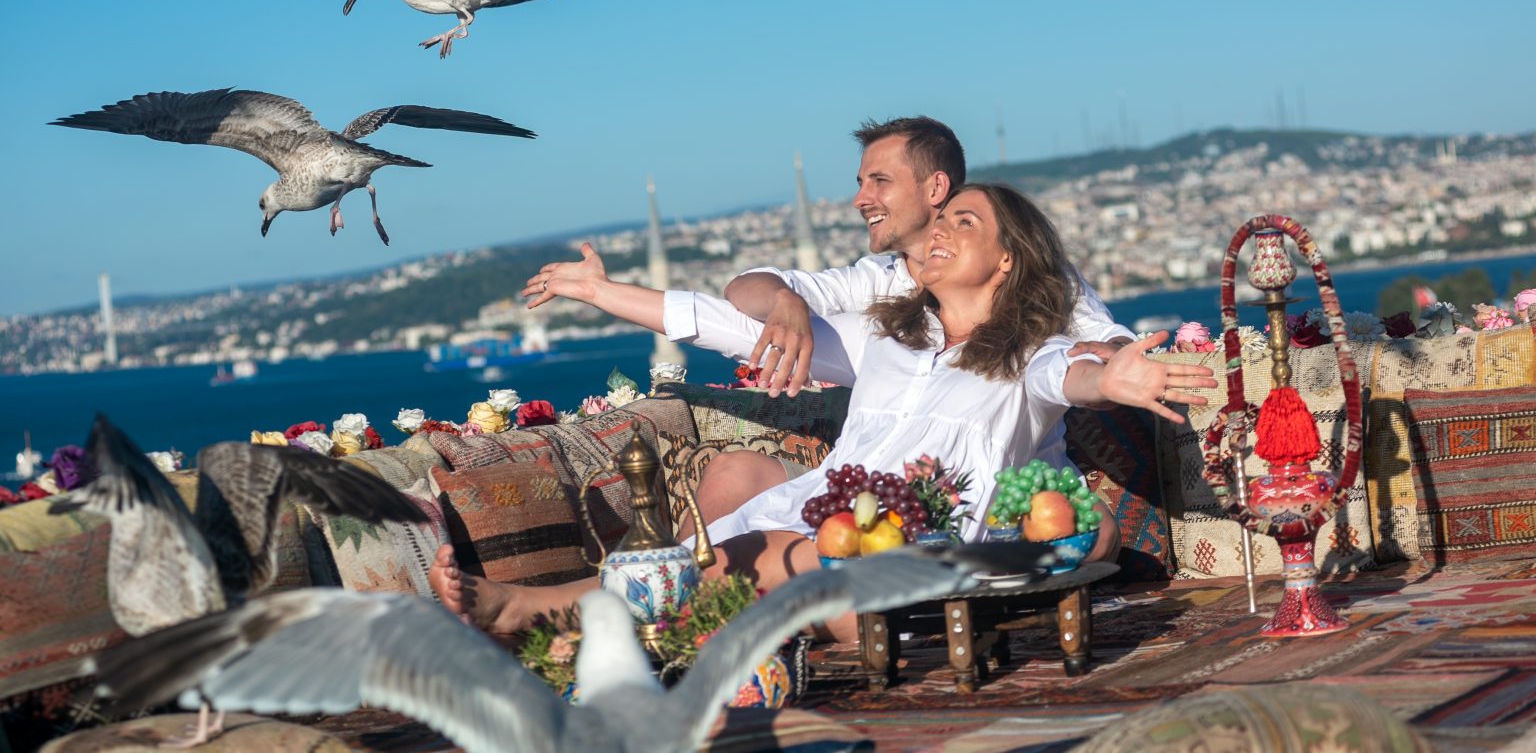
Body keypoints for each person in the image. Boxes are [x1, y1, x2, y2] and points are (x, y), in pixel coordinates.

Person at [429, 183, 1214, 643]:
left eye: (963, 223)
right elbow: (731, 323)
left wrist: (1116, 376)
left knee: (758, 553)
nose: (939, 231)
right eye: (941, 222)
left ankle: (536, 615)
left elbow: (1071, 374)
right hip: (830, 515)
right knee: (732, 522)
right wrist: (597, 292)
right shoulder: (890, 338)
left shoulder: (1028, 353)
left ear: (1008, 260)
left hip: (919, 548)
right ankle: (626, 621)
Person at [723, 116, 1134, 400]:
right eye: (861, 183)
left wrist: (1114, 363)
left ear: (936, 187)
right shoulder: (874, 279)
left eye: (879, 181)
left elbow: (1105, 337)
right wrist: (784, 299)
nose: (860, 200)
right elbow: (744, 288)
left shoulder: (1022, 264)